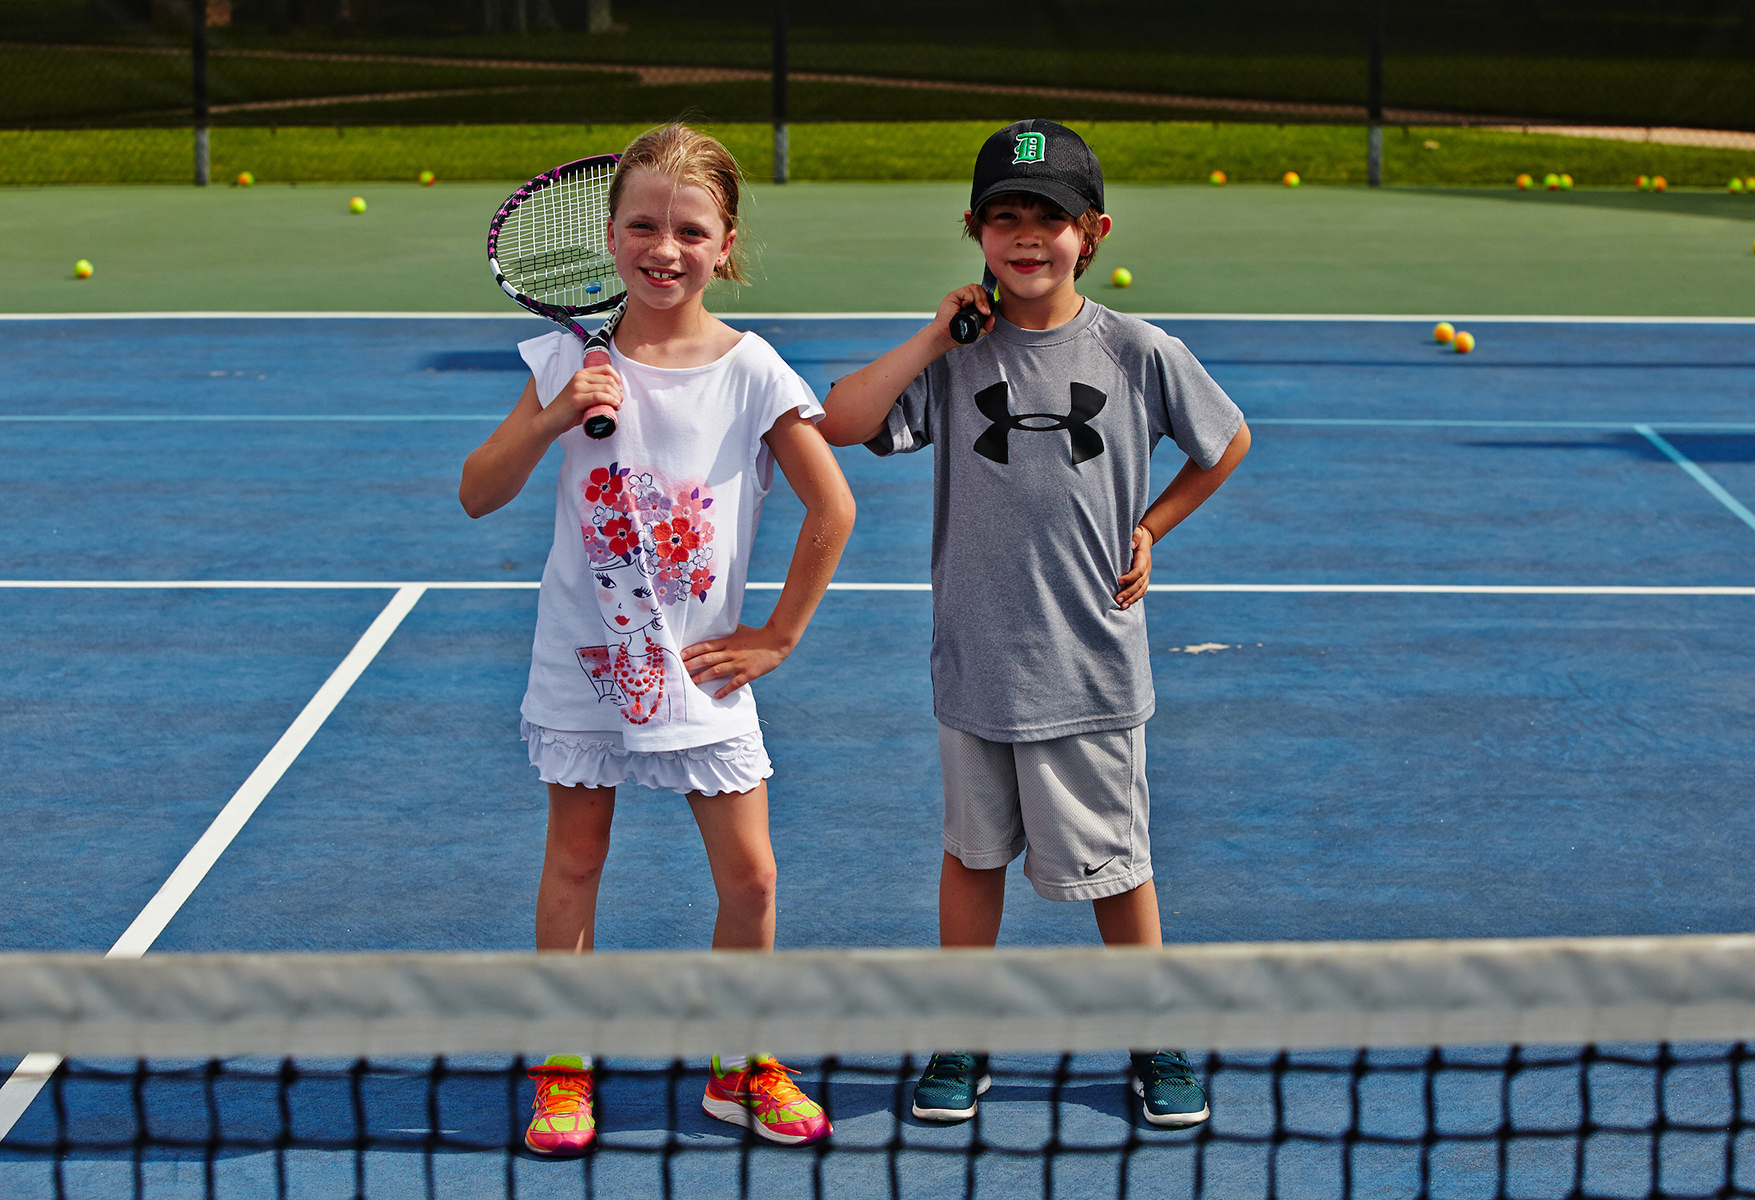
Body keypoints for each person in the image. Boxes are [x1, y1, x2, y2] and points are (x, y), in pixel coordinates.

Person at [817, 119, 1251, 1129]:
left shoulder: (1138, 350)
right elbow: (841, 420)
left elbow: (1224, 441)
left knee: (1118, 867)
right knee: (972, 857)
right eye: (1004, 217)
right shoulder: (956, 357)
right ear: (974, 230)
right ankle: (963, 1037)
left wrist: (1152, 526)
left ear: (1092, 233)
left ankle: (1152, 1036)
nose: (1026, 237)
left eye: (1048, 219)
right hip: (976, 664)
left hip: (1090, 666)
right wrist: (934, 336)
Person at [459, 123, 854, 1156]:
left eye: (689, 230)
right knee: (575, 861)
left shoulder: (754, 370)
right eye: (642, 226)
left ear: (726, 245)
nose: (663, 248)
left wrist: (778, 636)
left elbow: (833, 508)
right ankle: (564, 1069)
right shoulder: (564, 359)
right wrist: (551, 416)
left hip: (700, 671)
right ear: (609, 235)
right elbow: (477, 492)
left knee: (752, 879)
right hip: (586, 661)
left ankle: (739, 1064)